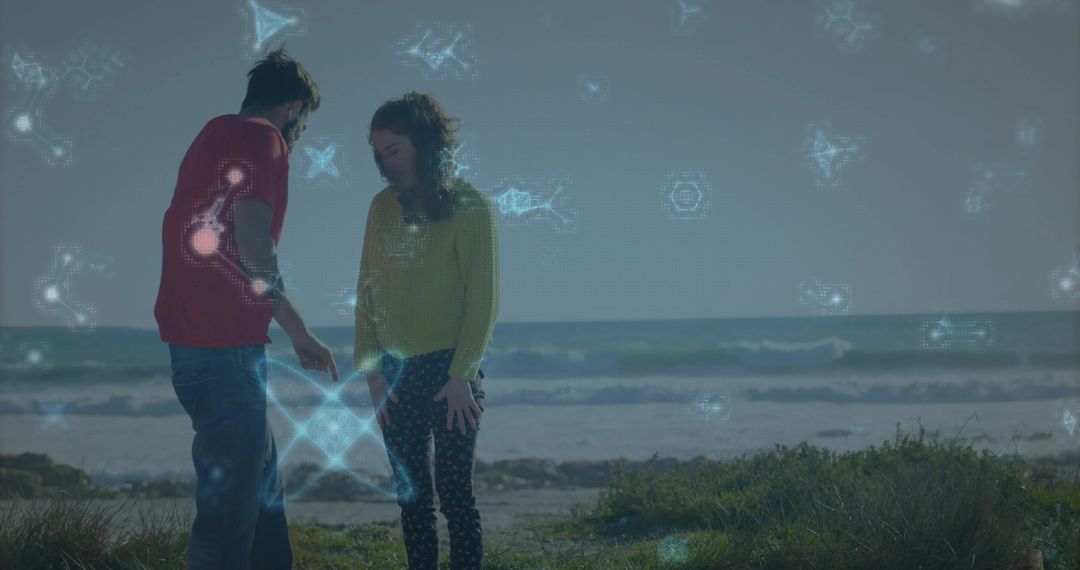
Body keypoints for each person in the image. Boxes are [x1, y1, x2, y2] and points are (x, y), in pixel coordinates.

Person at [154, 47, 337, 570]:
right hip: (226, 351)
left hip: (191, 345)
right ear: (295, 107)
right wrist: (300, 332)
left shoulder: (212, 133)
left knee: (263, 500)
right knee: (227, 523)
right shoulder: (264, 137)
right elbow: (255, 243)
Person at [355, 91, 499, 570]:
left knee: (457, 500)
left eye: (394, 150)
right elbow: (367, 291)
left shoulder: (470, 206)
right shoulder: (381, 208)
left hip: (451, 375)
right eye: (379, 155)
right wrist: (372, 373)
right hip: (394, 377)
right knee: (412, 501)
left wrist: (462, 375)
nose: (386, 163)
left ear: (422, 143)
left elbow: (483, 302)